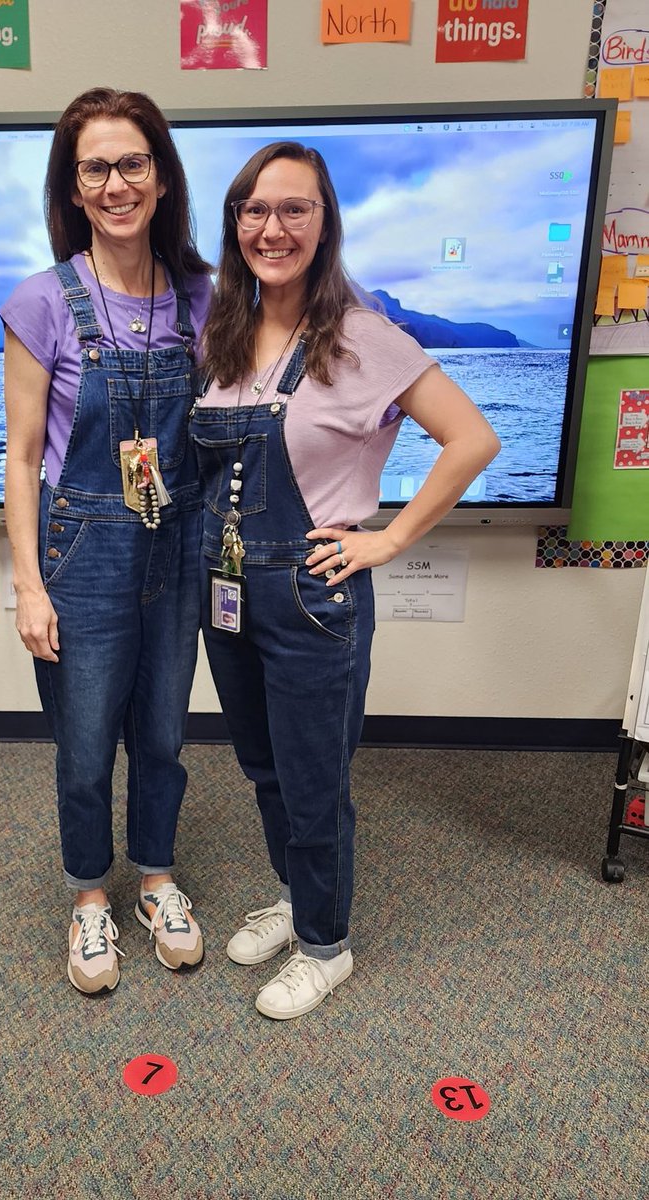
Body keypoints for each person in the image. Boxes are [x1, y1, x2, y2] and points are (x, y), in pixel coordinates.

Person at [192, 141, 500, 1020]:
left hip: (312, 599)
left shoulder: (361, 333)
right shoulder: (222, 333)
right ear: (236, 224)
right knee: (263, 767)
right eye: (255, 209)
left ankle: (327, 946)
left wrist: (389, 539)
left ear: (325, 225)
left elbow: (473, 438)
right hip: (229, 593)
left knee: (314, 777)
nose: (272, 227)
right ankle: (297, 901)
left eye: (295, 209)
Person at [1, 88, 211, 995]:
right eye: (96, 167)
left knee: (162, 737)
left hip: (177, 548)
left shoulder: (206, 295)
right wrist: (28, 586)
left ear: (160, 178)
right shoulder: (42, 301)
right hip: (78, 552)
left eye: (133, 163)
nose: (117, 182)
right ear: (74, 188)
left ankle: (155, 879)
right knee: (85, 747)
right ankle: (91, 896)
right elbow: (18, 457)